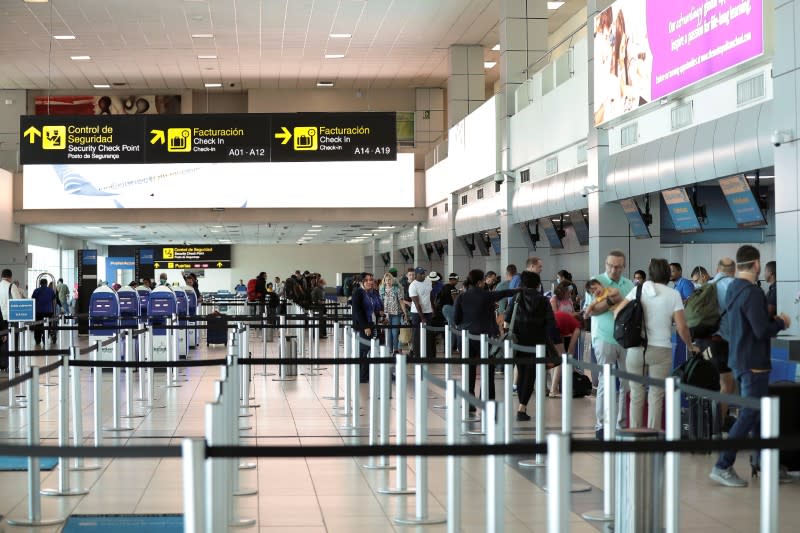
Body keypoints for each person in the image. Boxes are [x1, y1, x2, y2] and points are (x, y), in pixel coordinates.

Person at [710, 246, 790, 487]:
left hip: (739, 357)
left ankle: (765, 463)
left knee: (758, 415)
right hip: (754, 362)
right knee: (749, 414)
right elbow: (761, 330)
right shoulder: (753, 293)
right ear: (756, 264)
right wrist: (781, 322)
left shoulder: (734, 288)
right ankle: (723, 465)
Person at [623, 259, 698, 429]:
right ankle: (653, 435)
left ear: (650, 273)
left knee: (636, 394)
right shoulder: (673, 295)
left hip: (636, 348)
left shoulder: (637, 290)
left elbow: (619, 313)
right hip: (661, 350)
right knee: (656, 395)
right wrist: (690, 345)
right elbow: (681, 326)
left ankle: (636, 435)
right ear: (667, 274)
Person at [584, 250, 635, 438]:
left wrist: (617, 301)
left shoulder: (628, 284)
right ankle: (602, 424)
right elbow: (593, 311)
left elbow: (632, 309)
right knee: (606, 382)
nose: (614, 270)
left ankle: (621, 423)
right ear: (606, 265)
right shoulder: (595, 282)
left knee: (626, 383)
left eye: (618, 266)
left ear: (623, 267)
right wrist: (612, 300)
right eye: (611, 266)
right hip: (604, 338)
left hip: (626, 339)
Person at [454, 269, 518, 404]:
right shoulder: (486, 295)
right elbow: (503, 293)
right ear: (479, 282)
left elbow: (456, 319)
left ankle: (469, 402)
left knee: (469, 369)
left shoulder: (462, 297)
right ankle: (487, 399)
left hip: (466, 337)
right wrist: (520, 290)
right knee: (487, 369)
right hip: (485, 337)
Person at [503, 271, 557, 420]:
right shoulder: (543, 300)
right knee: (530, 374)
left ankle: (522, 406)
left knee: (521, 372)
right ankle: (522, 407)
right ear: (538, 284)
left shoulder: (516, 297)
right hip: (537, 342)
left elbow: (507, 319)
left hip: (519, 341)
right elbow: (551, 323)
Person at [707, 257, 737, 427]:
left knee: (709, 382)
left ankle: (705, 422)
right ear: (734, 270)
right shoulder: (735, 286)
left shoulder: (707, 285)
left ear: (717, 269)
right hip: (723, 342)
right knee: (726, 383)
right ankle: (717, 422)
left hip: (703, 342)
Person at [351, 272, 381, 383]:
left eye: (371, 279)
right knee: (364, 351)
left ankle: (366, 374)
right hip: (363, 327)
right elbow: (358, 312)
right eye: (367, 280)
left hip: (371, 324)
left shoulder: (370, 293)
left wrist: (379, 316)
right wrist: (365, 327)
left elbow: (372, 309)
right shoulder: (358, 293)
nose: (370, 282)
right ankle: (363, 376)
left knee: (368, 351)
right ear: (362, 282)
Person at [669, 262, 695, 368]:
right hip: (677, 323)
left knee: (683, 355)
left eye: (673, 271)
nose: (670, 273)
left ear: (680, 271)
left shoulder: (685, 283)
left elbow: (691, 300)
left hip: (685, 323)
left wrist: (677, 303)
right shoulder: (675, 286)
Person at [408, 267, 433, 357]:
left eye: (424, 273)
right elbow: (416, 303)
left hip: (428, 311)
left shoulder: (428, 281)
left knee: (429, 334)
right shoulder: (413, 286)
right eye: (421, 273)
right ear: (416, 275)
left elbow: (430, 296)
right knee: (417, 334)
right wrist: (422, 317)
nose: (423, 275)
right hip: (416, 313)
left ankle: (429, 354)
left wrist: (432, 308)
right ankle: (417, 354)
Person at [379, 272, 407, 354]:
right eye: (386, 280)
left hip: (396, 314)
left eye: (389, 279)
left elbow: (401, 301)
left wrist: (405, 313)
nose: (388, 281)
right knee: (388, 333)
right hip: (386, 314)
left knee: (395, 332)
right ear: (384, 280)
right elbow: (380, 302)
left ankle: (396, 349)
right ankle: (389, 349)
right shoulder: (382, 289)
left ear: (392, 280)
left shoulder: (396, 289)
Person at [32, 278, 57, 345]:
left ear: (40, 283)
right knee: (47, 325)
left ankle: (38, 340)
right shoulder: (51, 290)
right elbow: (54, 299)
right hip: (48, 311)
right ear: (46, 283)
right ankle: (45, 338)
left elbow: (33, 299)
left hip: (38, 311)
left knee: (38, 326)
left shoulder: (36, 291)